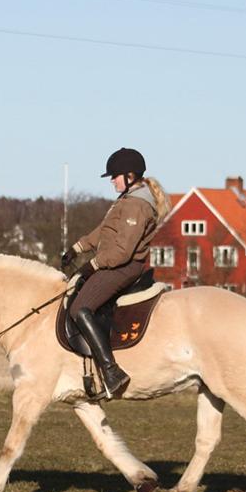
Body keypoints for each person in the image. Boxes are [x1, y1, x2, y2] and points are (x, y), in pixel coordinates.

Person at [60, 147, 170, 396]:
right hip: (112, 263)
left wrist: (93, 265)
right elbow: (102, 232)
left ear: (130, 176)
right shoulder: (127, 200)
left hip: (122, 267)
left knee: (79, 308)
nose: (111, 180)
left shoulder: (138, 206)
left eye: (114, 176)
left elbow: (122, 251)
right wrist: (76, 249)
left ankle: (111, 371)